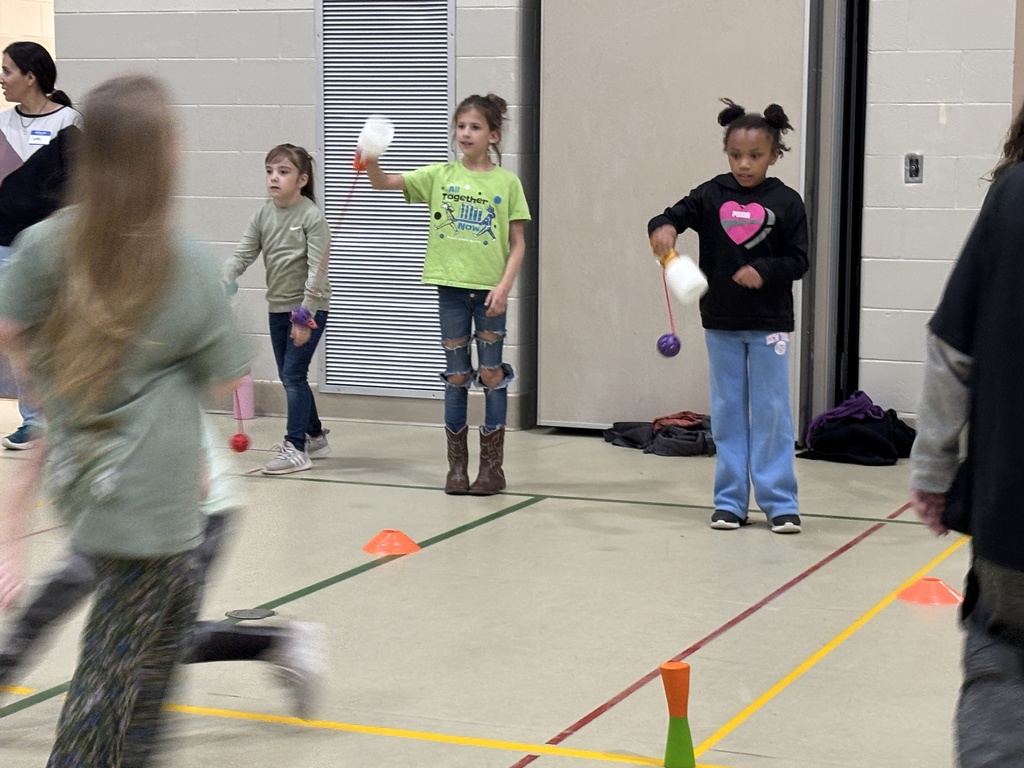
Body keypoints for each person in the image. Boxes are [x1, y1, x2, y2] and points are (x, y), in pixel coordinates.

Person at [0, 74, 249, 766]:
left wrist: (46, 381)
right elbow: (231, 375)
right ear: (161, 156)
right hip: (154, 502)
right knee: (111, 675)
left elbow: (9, 324)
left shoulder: (50, 243)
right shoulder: (184, 260)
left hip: (93, 484)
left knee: (155, 657)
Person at [0, 420, 325, 723]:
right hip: (119, 515)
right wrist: (10, 556)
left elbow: (197, 480)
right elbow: (30, 469)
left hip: (190, 514)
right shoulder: (63, 383)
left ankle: (276, 641)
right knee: (55, 596)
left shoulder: (137, 379)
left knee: (163, 637)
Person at [909, 101, 1024, 767]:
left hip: (1012, 524)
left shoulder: (1010, 197)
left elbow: (952, 347)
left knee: (1002, 664)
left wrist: (932, 469)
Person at [647, 99, 809, 533]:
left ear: (774, 155)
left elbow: (799, 260)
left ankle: (780, 502)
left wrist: (765, 270)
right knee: (728, 411)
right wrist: (661, 228)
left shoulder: (787, 202)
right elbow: (670, 216)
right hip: (720, 321)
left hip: (770, 324)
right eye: (736, 155)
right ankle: (730, 501)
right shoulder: (711, 193)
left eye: (754, 156)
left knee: (772, 411)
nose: (744, 164)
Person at [362, 93, 531, 495]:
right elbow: (383, 182)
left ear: (493, 134)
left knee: (490, 374)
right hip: (451, 291)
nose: (465, 133)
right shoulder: (439, 175)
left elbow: (518, 242)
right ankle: (457, 468)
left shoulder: (507, 183)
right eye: (460, 126)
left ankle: (492, 470)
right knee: (456, 376)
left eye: (474, 127)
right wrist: (370, 157)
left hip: (490, 293)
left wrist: (504, 286)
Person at [222, 144, 332, 476]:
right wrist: (226, 274)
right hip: (277, 308)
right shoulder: (263, 214)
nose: (274, 178)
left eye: (283, 172)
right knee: (291, 375)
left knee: (293, 375)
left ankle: (296, 448)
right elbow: (243, 254)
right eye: (270, 171)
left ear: (301, 179)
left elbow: (317, 270)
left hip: (307, 309)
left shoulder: (311, 216)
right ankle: (315, 436)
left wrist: (304, 314)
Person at [0, 41, 82, 451]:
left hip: (55, 247)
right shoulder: (1, 125)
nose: (1, 79)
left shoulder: (71, 123)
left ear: (31, 76)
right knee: (18, 335)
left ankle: (65, 416)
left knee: (58, 335)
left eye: (8, 70)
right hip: (6, 247)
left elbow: (81, 190)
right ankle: (32, 421)